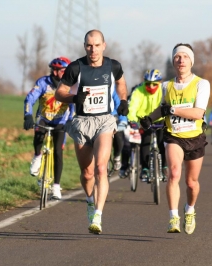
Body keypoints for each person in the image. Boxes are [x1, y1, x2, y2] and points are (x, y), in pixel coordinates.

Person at [55, 29, 128, 234]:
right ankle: (89, 200)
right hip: (82, 123)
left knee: (101, 168)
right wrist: (73, 98)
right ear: (84, 46)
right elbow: (59, 93)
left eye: (97, 45)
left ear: (104, 45)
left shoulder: (113, 66)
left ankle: (98, 214)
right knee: (87, 174)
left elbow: (121, 82)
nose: (93, 49)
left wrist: (123, 101)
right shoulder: (75, 67)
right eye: (89, 45)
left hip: (105, 121)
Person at [140, 43, 210, 234]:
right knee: (174, 173)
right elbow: (161, 109)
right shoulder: (166, 86)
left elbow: (197, 113)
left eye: (185, 57)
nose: (181, 60)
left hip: (195, 137)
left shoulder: (201, 84)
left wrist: (173, 110)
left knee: (191, 183)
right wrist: (148, 119)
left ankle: (189, 209)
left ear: (191, 61)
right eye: (177, 57)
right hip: (174, 136)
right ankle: (173, 217)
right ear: (173, 61)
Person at [23, 57, 74, 200]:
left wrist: (70, 121)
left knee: (58, 152)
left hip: (60, 121)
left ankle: (56, 186)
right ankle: (37, 156)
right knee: (39, 134)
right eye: (56, 70)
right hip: (44, 118)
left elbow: (73, 105)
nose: (58, 73)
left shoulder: (70, 85)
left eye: (62, 70)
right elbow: (30, 99)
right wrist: (28, 115)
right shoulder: (43, 82)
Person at [127, 69, 167, 182]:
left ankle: (165, 167)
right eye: (148, 83)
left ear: (159, 82)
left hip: (160, 120)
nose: (151, 86)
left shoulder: (163, 90)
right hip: (144, 120)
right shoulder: (138, 91)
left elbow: (167, 103)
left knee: (162, 142)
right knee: (145, 141)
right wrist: (133, 120)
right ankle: (145, 168)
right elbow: (132, 107)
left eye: (154, 84)